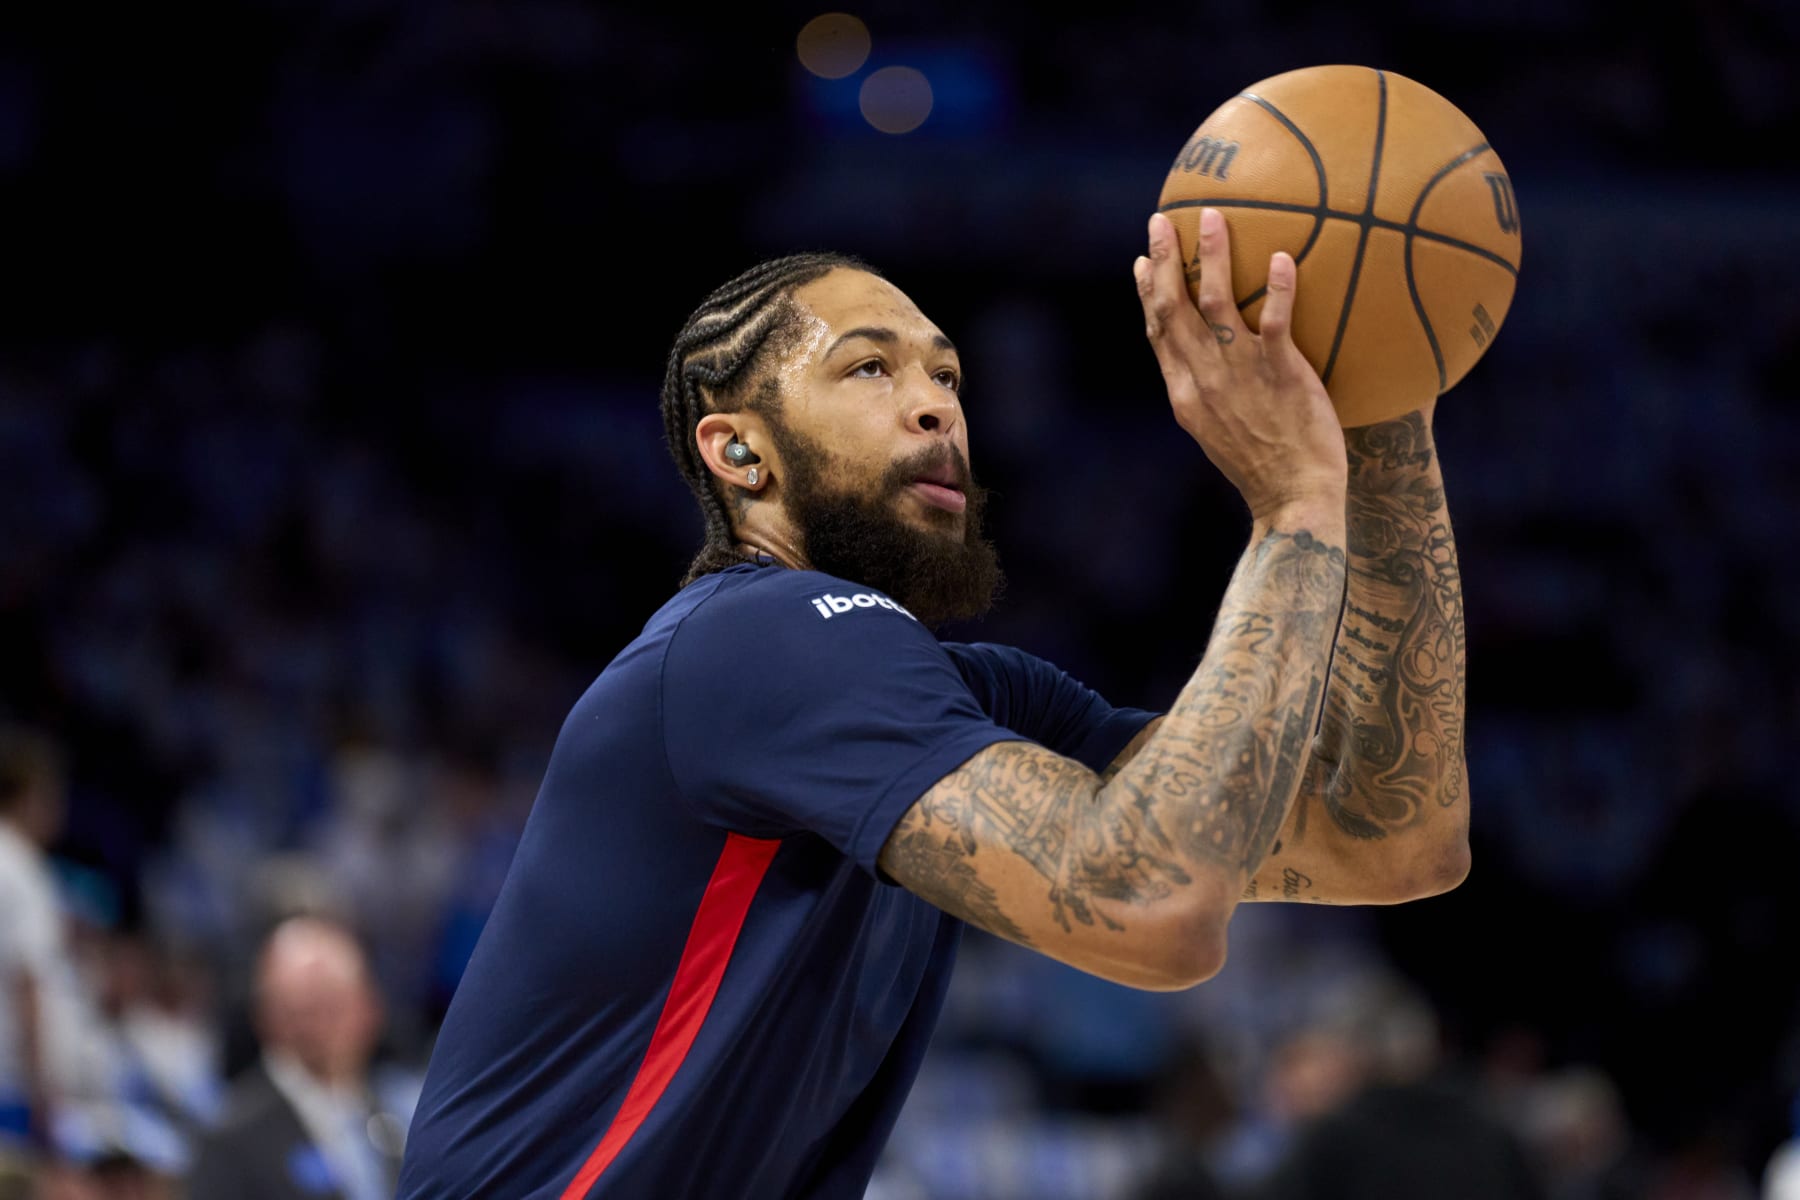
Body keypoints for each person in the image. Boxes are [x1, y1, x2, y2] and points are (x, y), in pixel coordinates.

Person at [398, 209, 1473, 1197]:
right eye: (869, 367)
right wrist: (1291, 506)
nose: (938, 406)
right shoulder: (755, 638)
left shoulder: (958, 694)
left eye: (950, 377)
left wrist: (1388, 419)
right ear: (738, 453)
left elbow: (1393, 838)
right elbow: (1154, 906)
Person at [186, 917, 405, 1200]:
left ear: (369, 1008)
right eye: (302, 1007)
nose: (317, 1024)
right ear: (265, 1016)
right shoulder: (229, 1137)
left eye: (333, 1002)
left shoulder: (394, 1116)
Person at [0, 728, 72, 1200]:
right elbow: (26, 979)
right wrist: (41, 1086)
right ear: (32, 797)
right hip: (15, 1083)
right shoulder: (21, 868)